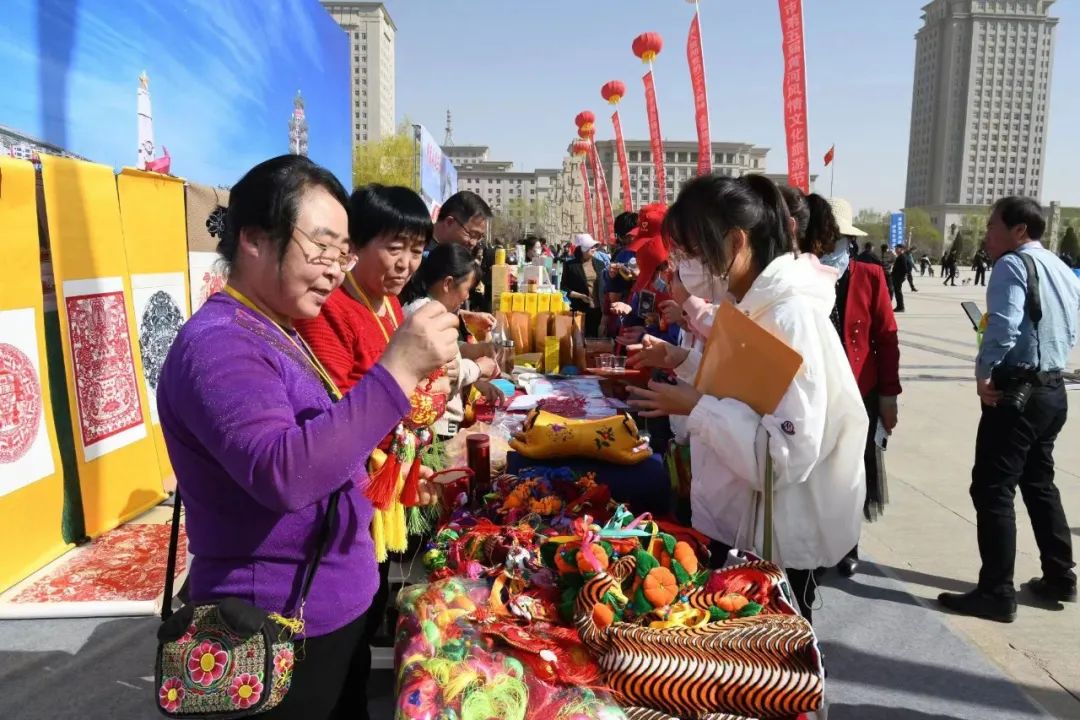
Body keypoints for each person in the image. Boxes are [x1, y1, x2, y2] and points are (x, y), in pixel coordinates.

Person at [157, 156, 458, 719]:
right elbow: (283, 472)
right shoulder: (219, 343)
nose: (333, 270)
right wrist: (397, 372)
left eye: (341, 253)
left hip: (324, 610)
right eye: (320, 247)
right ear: (253, 237)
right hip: (269, 626)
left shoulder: (276, 329)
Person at [624, 174, 867, 624]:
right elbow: (744, 389)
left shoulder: (789, 317)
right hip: (744, 522)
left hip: (775, 540)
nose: (685, 267)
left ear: (736, 242)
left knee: (775, 664)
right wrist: (683, 360)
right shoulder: (751, 305)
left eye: (694, 252)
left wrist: (696, 408)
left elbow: (787, 453)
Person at [294, 183, 449, 707]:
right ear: (355, 244)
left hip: (382, 478)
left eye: (416, 248)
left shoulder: (387, 304)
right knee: (347, 640)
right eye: (393, 246)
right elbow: (340, 407)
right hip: (355, 481)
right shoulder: (332, 311)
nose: (406, 262)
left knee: (368, 607)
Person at [939, 196, 1079, 622]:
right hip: (1053, 389)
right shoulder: (1059, 265)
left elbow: (1003, 325)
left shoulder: (1012, 265)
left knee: (993, 489)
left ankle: (996, 592)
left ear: (1019, 231)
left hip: (1017, 391)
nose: (987, 234)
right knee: (1039, 481)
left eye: (992, 226)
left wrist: (985, 371)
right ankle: (1060, 576)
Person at [807, 194, 901, 577]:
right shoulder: (803, 273)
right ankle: (812, 536)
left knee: (851, 468)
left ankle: (848, 543)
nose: (832, 245)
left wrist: (889, 395)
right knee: (814, 465)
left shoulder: (868, 273)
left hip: (858, 387)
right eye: (825, 237)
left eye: (838, 238)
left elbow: (887, 336)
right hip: (813, 386)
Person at [404, 243, 505, 440]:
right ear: (448, 283)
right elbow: (444, 372)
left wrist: (475, 349)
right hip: (434, 428)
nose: (467, 297)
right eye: (467, 289)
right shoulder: (426, 314)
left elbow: (443, 351)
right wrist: (478, 368)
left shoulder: (423, 306)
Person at [561, 233, 603, 336]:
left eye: (595, 247)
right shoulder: (570, 266)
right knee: (581, 340)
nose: (594, 249)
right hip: (580, 310)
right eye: (591, 247)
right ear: (582, 250)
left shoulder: (600, 264)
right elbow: (564, 288)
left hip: (599, 310)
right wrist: (580, 296)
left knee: (595, 339)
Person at [891, 244, 909, 312]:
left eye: (897, 248)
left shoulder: (902, 257)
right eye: (895, 248)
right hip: (897, 277)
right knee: (897, 291)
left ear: (901, 249)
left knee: (898, 291)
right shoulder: (900, 256)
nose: (895, 250)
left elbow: (905, 268)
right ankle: (899, 306)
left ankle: (900, 307)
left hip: (899, 277)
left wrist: (904, 276)